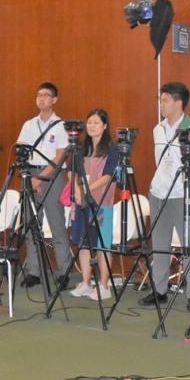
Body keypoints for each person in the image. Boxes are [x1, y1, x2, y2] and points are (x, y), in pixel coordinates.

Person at [138, 82, 190, 313]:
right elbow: (159, 162)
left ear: (178, 102)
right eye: (160, 100)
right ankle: (159, 290)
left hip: (183, 195)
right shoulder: (158, 129)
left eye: (165, 100)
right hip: (159, 193)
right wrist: (157, 184)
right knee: (159, 244)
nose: (161, 104)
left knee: (188, 245)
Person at [16, 82, 71, 288]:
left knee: (57, 225)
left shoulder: (61, 125)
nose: (41, 98)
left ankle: (63, 272)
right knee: (31, 225)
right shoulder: (29, 125)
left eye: (46, 95)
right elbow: (21, 152)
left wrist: (40, 178)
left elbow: (60, 156)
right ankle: (33, 271)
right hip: (30, 175)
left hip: (52, 177)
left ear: (54, 100)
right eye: (38, 95)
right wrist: (30, 177)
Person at [68, 109, 118, 300]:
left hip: (101, 203)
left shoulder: (112, 148)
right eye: (89, 122)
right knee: (83, 243)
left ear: (105, 126)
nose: (92, 126)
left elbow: (108, 175)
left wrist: (87, 189)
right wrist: (77, 188)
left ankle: (104, 286)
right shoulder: (80, 147)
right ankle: (86, 283)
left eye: (96, 122)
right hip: (81, 202)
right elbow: (71, 171)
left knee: (102, 244)